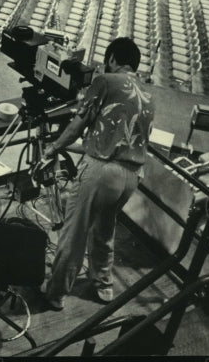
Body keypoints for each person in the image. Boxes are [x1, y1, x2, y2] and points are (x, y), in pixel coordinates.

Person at [40, 37, 155, 311]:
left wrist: (53, 147)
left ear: (113, 58)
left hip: (102, 171)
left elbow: (79, 124)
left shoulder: (105, 80)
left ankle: (55, 293)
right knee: (105, 229)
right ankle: (103, 285)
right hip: (132, 175)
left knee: (74, 232)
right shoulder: (150, 94)